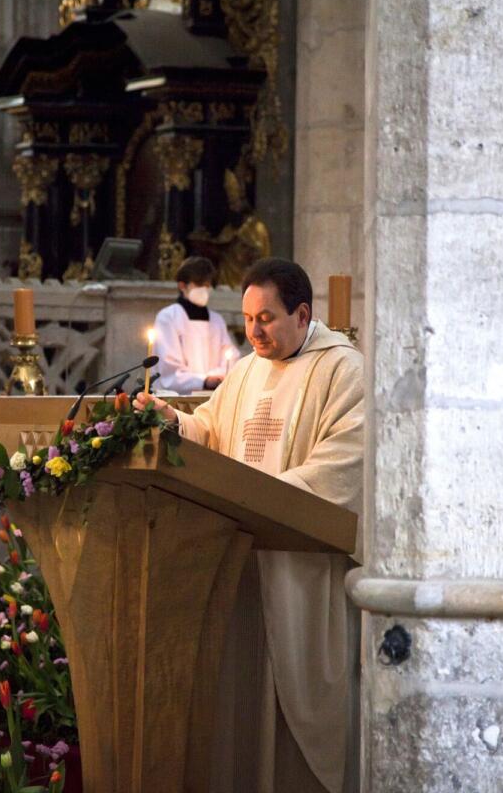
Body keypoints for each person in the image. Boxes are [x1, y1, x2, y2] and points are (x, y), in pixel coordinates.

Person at [136, 258, 363, 793]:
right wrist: (173, 422)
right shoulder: (244, 371)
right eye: (247, 319)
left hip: (299, 570)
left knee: (292, 725)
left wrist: (264, 500)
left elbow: (346, 464)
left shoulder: (343, 370)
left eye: (266, 318)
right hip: (241, 563)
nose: (253, 331)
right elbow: (210, 431)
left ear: (302, 315)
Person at [152, 256, 238, 393]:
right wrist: (203, 381)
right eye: (199, 284)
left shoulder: (216, 320)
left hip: (212, 395)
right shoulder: (168, 317)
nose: (205, 289)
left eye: (208, 285)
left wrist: (218, 376)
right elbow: (169, 369)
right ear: (182, 286)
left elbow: (231, 359)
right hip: (177, 397)